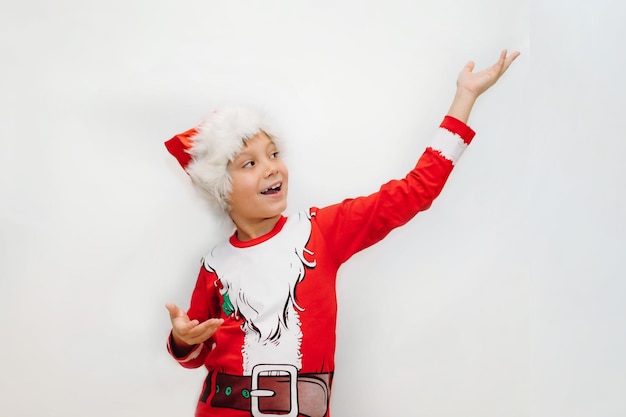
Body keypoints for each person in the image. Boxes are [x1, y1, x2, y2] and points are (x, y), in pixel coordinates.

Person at [164, 50, 520, 417]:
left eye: (273, 154)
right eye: (250, 163)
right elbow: (196, 351)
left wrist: (465, 97)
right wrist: (181, 339)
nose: (271, 168)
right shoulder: (215, 265)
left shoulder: (320, 232)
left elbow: (414, 192)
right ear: (222, 188)